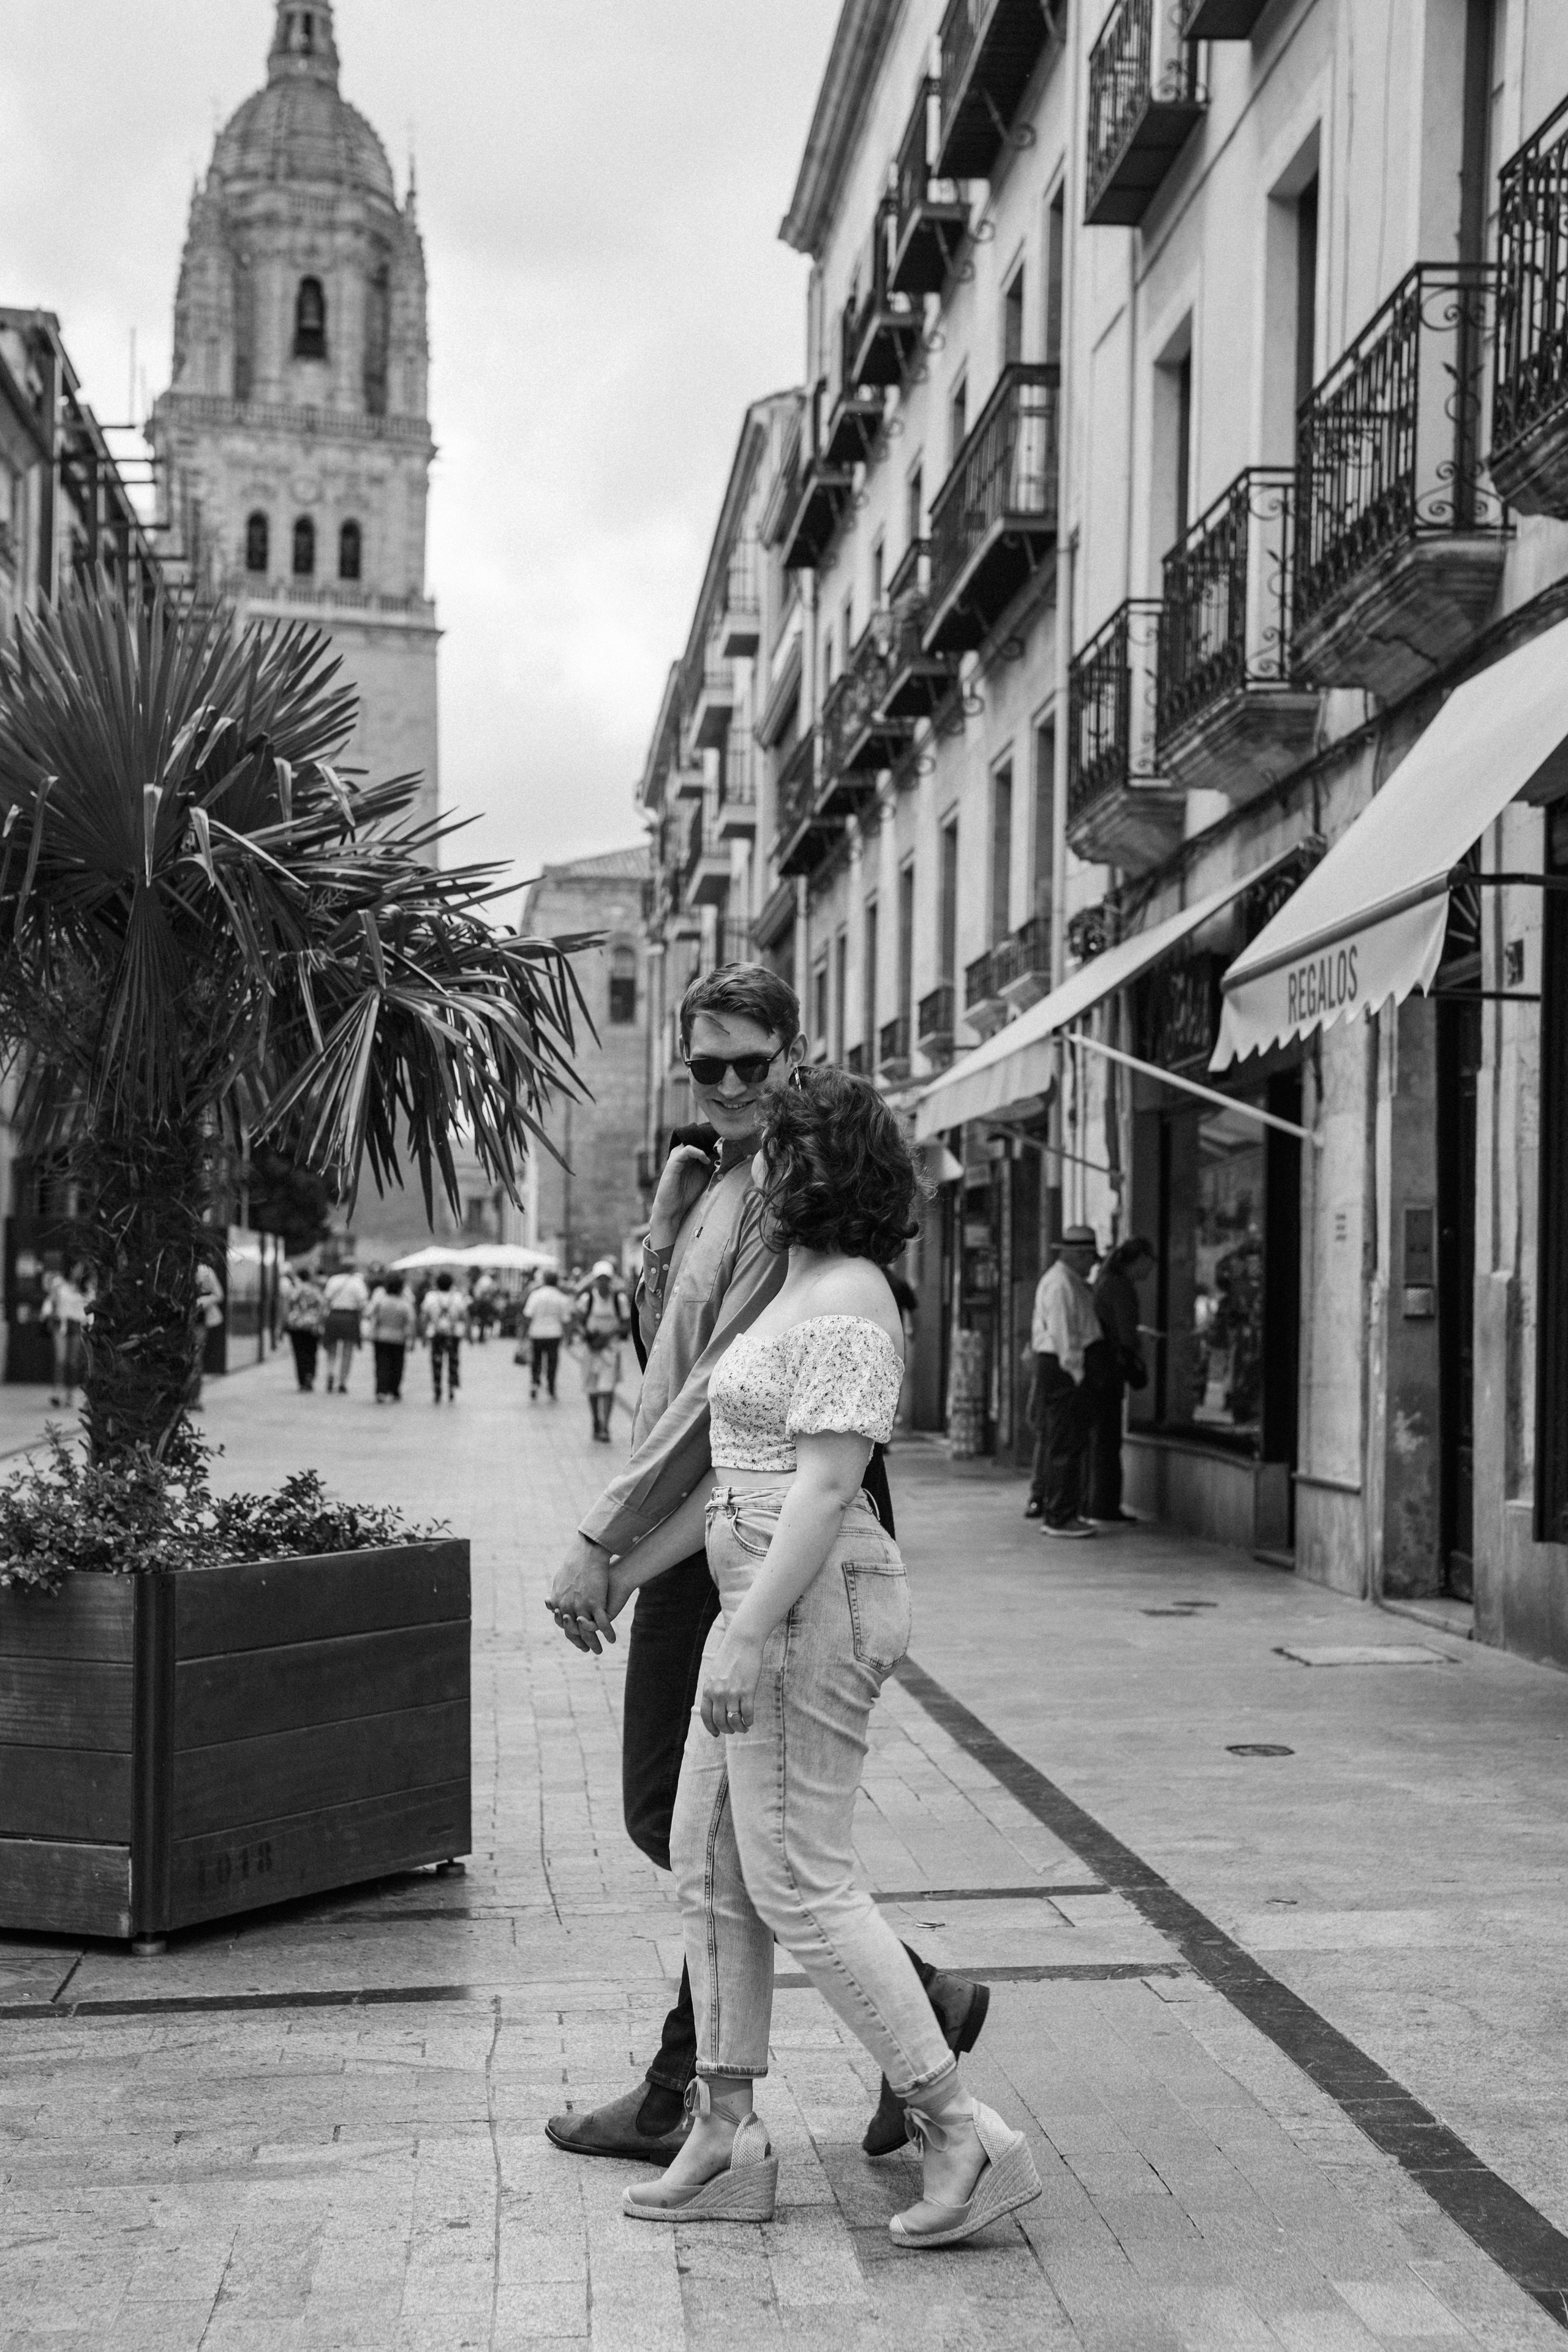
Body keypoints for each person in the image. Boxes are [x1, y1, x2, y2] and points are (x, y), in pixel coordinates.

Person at [578, 1069, 1041, 2245]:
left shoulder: (847, 1296)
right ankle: (723, 2128)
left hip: (807, 1607)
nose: (750, 1165)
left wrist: (739, 1632)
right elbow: (739, 1474)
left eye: (770, 1151)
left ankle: (957, 2127)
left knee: (796, 1877)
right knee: (707, 1861)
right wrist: (627, 1575)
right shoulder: (787, 1287)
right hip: (762, 1595)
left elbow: (828, 1489)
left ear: (810, 1169)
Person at [1025, 1225, 1105, 1537]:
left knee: (1067, 1440)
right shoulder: (1060, 1284)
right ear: (1076, 1254)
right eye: (1088, 1257)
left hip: (1063, 1368)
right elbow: (1062, 1335)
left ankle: (1062, 1511)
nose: (1091, 1265)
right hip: (1062, 1369)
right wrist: (1077, 1373)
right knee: (1065, 1442)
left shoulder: (1069, 1281)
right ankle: (1060, 1515)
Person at [1088, 1236, 1155, 1525]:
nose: (1151, 1271)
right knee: (1107, 1440)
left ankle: (1096, 1502)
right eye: (1150, 1263)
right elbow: (1126, 1335)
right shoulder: (1120, 1287)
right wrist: (1138, 1346)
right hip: (1109, 1370)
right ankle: (1105, 1505)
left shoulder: (1105, 1281)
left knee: (1101, 1441)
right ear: (1138, 1259)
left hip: (1100, 1367)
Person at [577, 1259, 625, 1442]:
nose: (603, 1283)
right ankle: (596, 1421)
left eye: (606, 1279)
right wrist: (588, 1335)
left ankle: (605, 1426)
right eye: (600, 1279)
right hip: (592, 1349)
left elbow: (625, 1323)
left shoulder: (617, 1299)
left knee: (607, 1388)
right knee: (592, 1388)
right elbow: (578, 1321)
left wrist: (608, 1335)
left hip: (610, 1349)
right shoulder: (588, 1299)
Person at [44, 1264, 90, 1409]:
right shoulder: (60, 1284)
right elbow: (51, 1300)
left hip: (77, 1325)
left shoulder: (86, 1288)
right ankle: (57, 1393)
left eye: (81, 1269)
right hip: (61, 1324)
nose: (78, 1271)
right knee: (61, 1359)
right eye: (76, 1268)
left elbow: (89, 1307)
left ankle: (70, 1395)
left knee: (73, 1361)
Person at [520, 1272, 570, 1400]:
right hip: (554, 1333)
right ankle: (551, 1385)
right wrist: (568, 1337)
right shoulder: (561, 1297)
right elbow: (566, 1320)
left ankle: (535, 1382)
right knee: (552, 1360)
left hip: (537, 1332)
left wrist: (523, 1335)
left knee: (536, 1360)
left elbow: (528, 1316)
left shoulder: (536, 1295)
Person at [369, 1272, 417, 1403]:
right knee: (397, 1365)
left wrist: (372, 1332)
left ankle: (381, 1390)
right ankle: (394, 1389)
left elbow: (373, 1316)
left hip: (381, 1336)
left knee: (382, 1365)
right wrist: (412, 1339)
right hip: (399, 1338)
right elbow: (411, 1322)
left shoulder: (381, 1301)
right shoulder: (405, 1304)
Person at [322, 1263, 368, 1394]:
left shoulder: (333, 1280)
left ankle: (331, 1373)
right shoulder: (357, 1282)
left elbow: (326, 1299)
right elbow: (363, 1303)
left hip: (334, 1315)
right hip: (350, 1317)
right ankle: (342, 1382)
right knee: (347, 1352)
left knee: (332, 1349)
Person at [422, 1271, 468, 1402]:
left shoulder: (431, 1297)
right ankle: (452, 1387)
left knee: (437, 1362)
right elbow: (465, 1316)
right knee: (453, 1361)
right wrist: (468, 1334)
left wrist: (424, 1335)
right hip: (453, 1335)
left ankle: (437, 1388)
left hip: (436, 1334)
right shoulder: (458, 1297)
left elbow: (424, 1317)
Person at [282, 1263, 326, 1392]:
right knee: (312, 1352)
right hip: (312, 1325)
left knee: (299, 1353)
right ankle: (310, 1376)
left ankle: (302, 1380)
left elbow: (288, 1305)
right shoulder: (316, 1291)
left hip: (296, 1325)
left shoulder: (295, 1290)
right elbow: (322, 1307)